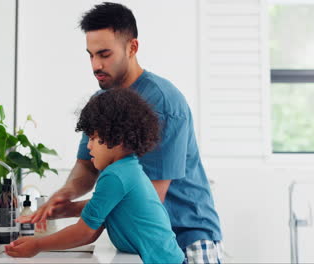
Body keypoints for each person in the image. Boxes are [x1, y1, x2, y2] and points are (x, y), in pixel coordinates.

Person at [14, 2, 223, 263]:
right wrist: (64, 195)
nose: (95, 65)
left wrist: (70, 213)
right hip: (143, 243)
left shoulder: (163, 103)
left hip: (186, 235)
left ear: (132, 48)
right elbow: (88, 167)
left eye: (104, 54)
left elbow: (150, 197)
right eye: (90, 55)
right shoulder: (104, 102)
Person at [6, 88, 185, 263]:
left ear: (117, 137)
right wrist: (49, 213)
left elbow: (85, 233)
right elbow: (95, 213)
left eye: (93, 138)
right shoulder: (127, 169)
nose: (88, 146)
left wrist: (37, 245)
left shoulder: (115, 176)